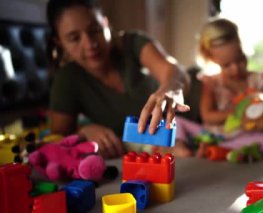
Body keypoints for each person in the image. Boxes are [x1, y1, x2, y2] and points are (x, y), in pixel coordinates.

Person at [46, 0, 190, 159]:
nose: (90, 44)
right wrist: (83, 132)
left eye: (95, 30)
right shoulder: (67, 80)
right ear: (59, 42)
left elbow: (177, 72)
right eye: (74, 38)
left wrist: (170, 88)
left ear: (106, 23)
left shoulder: (132, 43)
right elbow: (58, 136)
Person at [174, 18, 263, 157]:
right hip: (213, 134)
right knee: (177, 122)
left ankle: (220, 149)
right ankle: (182, 145)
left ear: (243, 47)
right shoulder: (211, 82)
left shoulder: (259, 79)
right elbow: (208, 116)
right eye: (227, 65)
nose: (236, 69)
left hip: (246, 134)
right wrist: (237, 112)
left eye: (240, 59)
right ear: (211, 59)